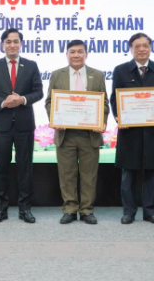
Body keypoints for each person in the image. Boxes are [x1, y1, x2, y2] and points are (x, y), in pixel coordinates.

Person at [0, 28, 43, 223]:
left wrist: (22, 100)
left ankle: (25, 209)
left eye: (16, 41)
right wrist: (3, 102)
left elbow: (39, 92)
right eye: (8, 42)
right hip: (2, 125)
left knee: (25, 168)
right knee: (1, 168)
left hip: (24, 125)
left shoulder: (31, 65)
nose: (12, 45)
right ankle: (1, 209)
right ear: (2, 45)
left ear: (21, 44)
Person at [110, 32, 154, 225]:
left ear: (150, 48)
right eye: (137, 46)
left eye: (145, 45)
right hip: (130, 131)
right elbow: (115, 98)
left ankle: (151, 212)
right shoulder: (121, 70)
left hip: (153, 130)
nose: (142, 49)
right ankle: (128, 212)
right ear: (131, 49)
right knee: (128, 174)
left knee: (152, 172)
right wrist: (118, 116)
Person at [45, 40, 109, 225]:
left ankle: (87, 210)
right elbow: (49, 102)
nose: (76, 55)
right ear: (67, 54)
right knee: (67, 174)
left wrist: (102, 121)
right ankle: (70, 209)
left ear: (86, 54)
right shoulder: (57, 75)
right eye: (72, 52)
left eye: (80, 51)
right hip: (66, 134)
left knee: (89, 175)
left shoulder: (98, 75)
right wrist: (55, 119)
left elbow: (104, 103)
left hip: (89, 134)